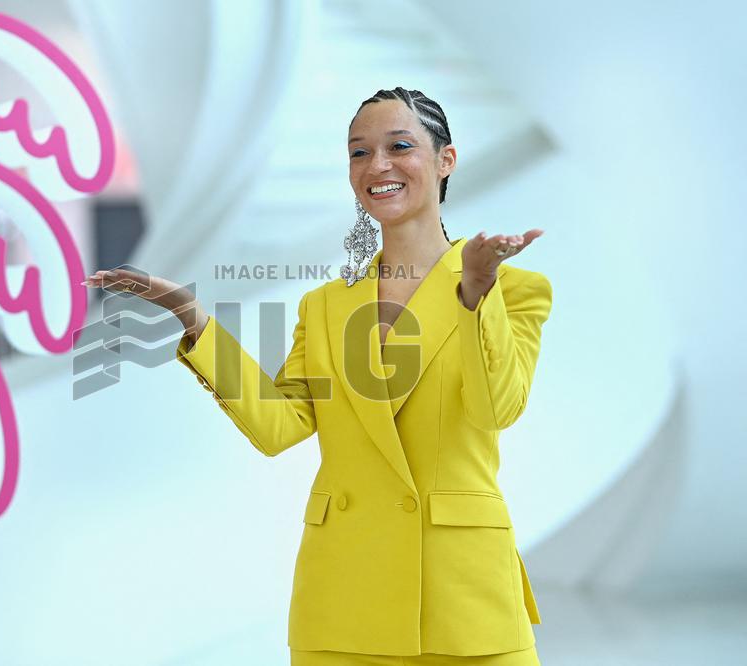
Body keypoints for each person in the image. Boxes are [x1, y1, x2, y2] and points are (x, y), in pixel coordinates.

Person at [83, 87, 552, 665]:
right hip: (346, 597)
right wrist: (191, 316)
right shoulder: (326, 307)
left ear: (445, 160)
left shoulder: (514, 290)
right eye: (359, 152)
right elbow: (278, 427)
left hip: (465, 598)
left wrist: (476, 297)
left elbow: (495, 409)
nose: (377, 166)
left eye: (399, 146)